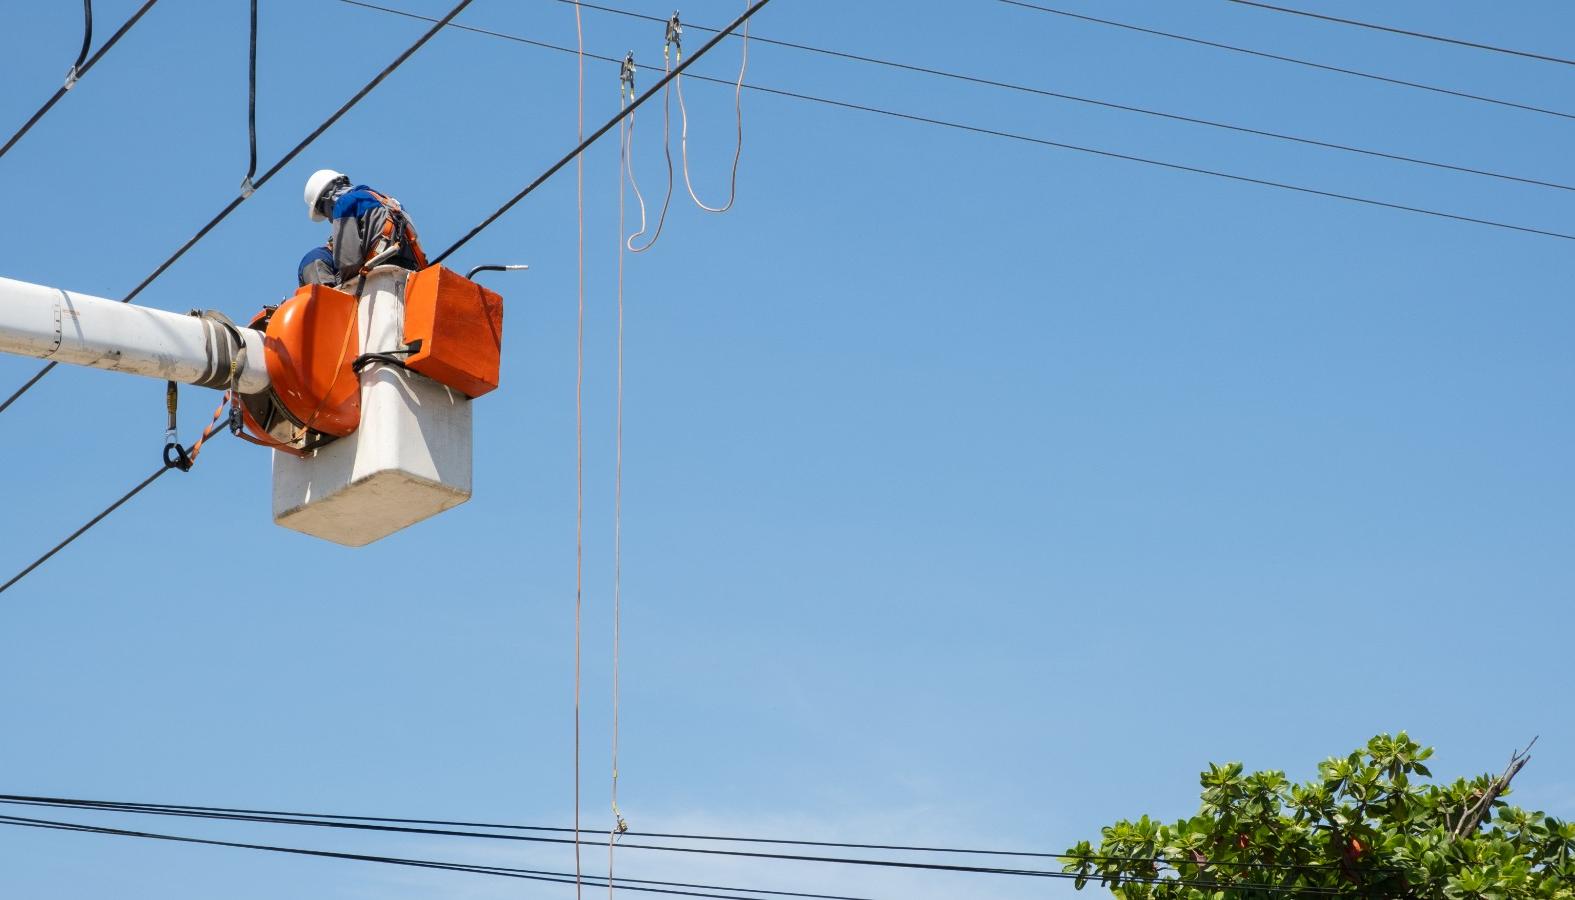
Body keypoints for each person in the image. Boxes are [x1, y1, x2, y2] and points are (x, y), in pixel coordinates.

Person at [299, 169, 428, 286]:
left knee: (312, 259)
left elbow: (349, 263)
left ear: (327, 200)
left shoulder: (344, 204)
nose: (329, 219)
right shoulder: (390, 202)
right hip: (414, 275)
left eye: (325, 213)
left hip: (380, 277)